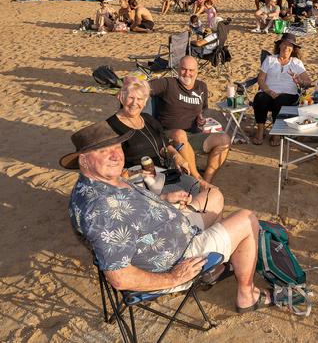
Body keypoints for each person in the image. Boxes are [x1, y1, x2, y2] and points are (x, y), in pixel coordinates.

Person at [61, 121, 272, 312]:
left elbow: (133, 210)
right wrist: (173, 277)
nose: (116, 156)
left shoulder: (105, 180)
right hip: (177, 259)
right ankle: (247, 295)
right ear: (84, 160)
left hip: (170, 229)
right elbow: (120, 278)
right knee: (247, 219)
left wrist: (164, 200)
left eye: (116, 148)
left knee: (214, 196)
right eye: (104, 151)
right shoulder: (101, 210)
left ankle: (212, 271)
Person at [107, 76, 229, 194]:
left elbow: (164, 144)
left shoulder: (148, 119)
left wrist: (176, 156)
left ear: (144, 103)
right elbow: (111, 167)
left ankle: (200, 183)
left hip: (164, 173)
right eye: (131, 97)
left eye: (139, 99)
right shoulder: (112, 126)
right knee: (196, 195)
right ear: (122, 98)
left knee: (210, 194)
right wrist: (136, 173)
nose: (134, 103)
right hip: (141, 182)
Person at [149, 56, 231, 189]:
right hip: (168, 137)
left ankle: (207, 181)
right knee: (180, 134)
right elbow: (145, 86)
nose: (187, 73)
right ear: (177, 69)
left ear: (197, 71)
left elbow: (203, 109)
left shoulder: (202, 87)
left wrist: (201, 118)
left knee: (224, 139)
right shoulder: (168, 83)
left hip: (192, 136)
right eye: (183, 69)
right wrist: (130, 86)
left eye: (191, 70)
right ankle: (198, 180)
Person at [252, 33, 312, 146]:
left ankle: (276, 133)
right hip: (269, 92)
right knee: (259, 97)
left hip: (289, 95)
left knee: (280, 100)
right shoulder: (270, 59)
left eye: (290, 45)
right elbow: (260, 79)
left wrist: (299, 81)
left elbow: (308, 82)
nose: (286, 47)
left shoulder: (297, 63)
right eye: (284, 44)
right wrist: (268, 91)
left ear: (293, 49)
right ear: (279, 45)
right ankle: (260, 130)